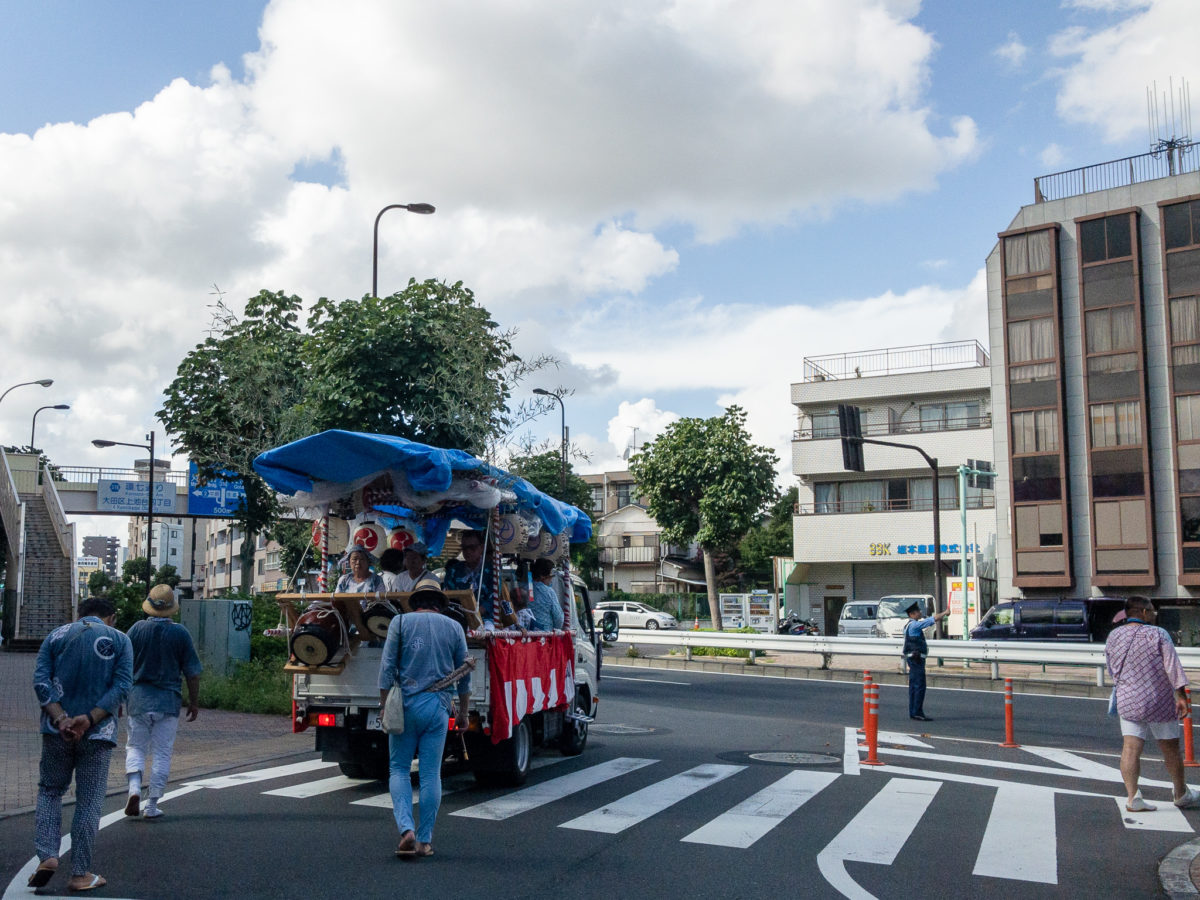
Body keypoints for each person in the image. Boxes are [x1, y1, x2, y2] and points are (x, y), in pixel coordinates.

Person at [29, 597, 133, 893]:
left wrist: (61, 718)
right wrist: (89, 718)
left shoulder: (56, 636)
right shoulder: (120, 640)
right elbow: (123, 685)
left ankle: (47, 855)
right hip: (98, 732)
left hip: (55, 730)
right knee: (88, 801)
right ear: (111, 617)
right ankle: (79, 873)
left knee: (50, 791)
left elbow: (40, 682)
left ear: (79, 614)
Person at [378, 576, 471, 859]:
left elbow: (386, 671)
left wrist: (385, 707)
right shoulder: (454, 627)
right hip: (438, 707)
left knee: (398, 769)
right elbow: (464, 677)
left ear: (415, 602)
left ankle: (405, 829)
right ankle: (423, 841)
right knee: (431, 774)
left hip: (405, 705)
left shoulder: (401, 623)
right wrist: (464, 713)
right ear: (439, 605)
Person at [1106, 595, 1200, 812]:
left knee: (1130, 748)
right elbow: (1172, 666)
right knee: (1170, 749)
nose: (1154, 614)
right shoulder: (1158, 634)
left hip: (1128, 699)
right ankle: (1180, 793)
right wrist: (1181, 696)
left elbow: (1111, 669)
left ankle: (1132, 797)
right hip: (1159, 699)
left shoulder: (1114, 636)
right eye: (1152, 610)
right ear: (1144, 612)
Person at [123, 585, 203, 820]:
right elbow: (192, 672)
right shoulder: (180, 633)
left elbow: (122, 666)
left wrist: (118, 698)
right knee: (162, 753)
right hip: (168, 702)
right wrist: (194, 702)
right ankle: (151, 805)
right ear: (171, 609)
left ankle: (134, 788)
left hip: (137, 699)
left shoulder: (136, 630)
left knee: (135, 747)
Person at [903, 599, 950, 722]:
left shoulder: (907, 625)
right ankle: (917, 712)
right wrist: (945, 613)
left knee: (913, 686)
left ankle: (913, 711)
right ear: (912, 614)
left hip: (912, 658)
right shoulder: (914, 625)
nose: (920, 613)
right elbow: (931, 620)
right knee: (919, 686)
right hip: (916, 659)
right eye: (918, 611)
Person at [442, 530, 497, 620]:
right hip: (457, 616)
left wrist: (475, 614)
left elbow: (493, 599)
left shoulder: (492, 571)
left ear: (482, 548)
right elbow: (447, 595)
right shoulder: (453, 570)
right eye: (464, 548)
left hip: (486, 619)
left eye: (472, 547)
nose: (468, 551)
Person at [529, 558, 565, 632]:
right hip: (545, 636)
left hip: (525, 636)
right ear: (542, 576)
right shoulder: (549, 592)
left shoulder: (525, 589)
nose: (551, 579)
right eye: (551, 576)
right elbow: (559, 619)